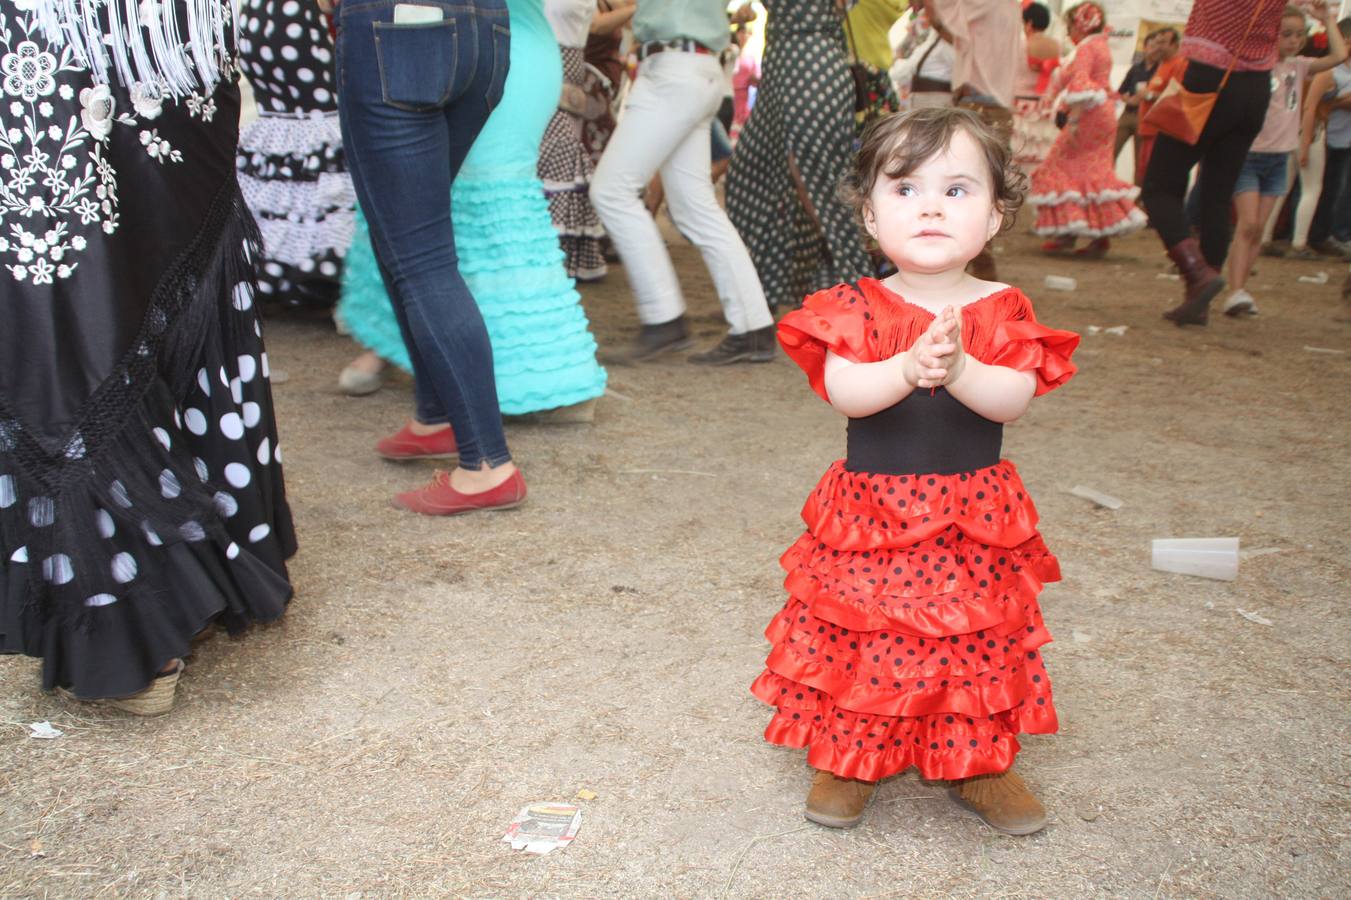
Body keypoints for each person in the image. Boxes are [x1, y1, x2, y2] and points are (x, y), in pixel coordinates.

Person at [751, 107, 1079, 834]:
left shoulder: (1001, 308)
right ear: (869, 215)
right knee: (869, 638)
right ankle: (850, 758)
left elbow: (1014, 398)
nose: (929, 204)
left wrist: (961, 368)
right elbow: (844, 393)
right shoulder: (852, 307)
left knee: (968, 641)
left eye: (957, 190)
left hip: (972, 515)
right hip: (872, 517)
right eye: (904, 189)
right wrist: (903, 366)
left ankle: (980, 764)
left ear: (995, 217)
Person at [1, 0, 296, 712]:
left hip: (62, 62)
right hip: (174, 58)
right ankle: (210, 559)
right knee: (155, 303)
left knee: (83, 325)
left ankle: (136, 622)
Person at [338, 0, 609, 424]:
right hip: (456, 38)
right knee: (417, 198)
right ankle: (394, 343)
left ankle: (548, 378)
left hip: (501, 42)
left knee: (484, 202)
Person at [334, 0, 528, 514]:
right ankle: (436, 414)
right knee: (399, 236)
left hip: (394, 31)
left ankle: (487, 466)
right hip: (486, 30)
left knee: (420, 256)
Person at [590, 0, 775, 364]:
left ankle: (664, 318)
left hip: (672, 70)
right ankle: (754, 327)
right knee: (696, 208)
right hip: (697, 67)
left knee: (611, 191)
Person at [1140, 0, 1286, 327]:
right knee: (1217, 196)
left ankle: (1197, 275)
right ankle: (1200, 301)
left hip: (1210, 78)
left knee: (1157, 188)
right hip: (1257, 88)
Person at [725, 0, 874, 316]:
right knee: (753, 173)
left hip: (810, 66)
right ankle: (769, 285)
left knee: (818, 183)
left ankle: (862, 289)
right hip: (784, 68)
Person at [1223, 5, 1347, 316]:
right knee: (1248, 225)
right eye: (1286, 34)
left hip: (1278, 158)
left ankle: (1240, 291)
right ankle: (1235, 289)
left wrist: (1328, 19)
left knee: (1259, 227)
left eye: (1299, 35)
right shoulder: (1253, 66)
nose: (1293, 41)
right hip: (1249, 156)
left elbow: (1338, 56)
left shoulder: (1300, 67)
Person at [236, 0, 356, 310]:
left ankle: (274, 267)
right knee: (320, 131)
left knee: (287, 125)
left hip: (255, 19)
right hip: (294, 21)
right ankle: (323, 275)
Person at [1029, 2, 1147, 257]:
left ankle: (1068, 233)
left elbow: (1081, 83)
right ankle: (1091, 236)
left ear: (1080, 24)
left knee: (1060, 167)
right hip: (1104, 115)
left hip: (1088, 115)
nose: (1070, 29)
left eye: (1071, 24)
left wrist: (1073, 121)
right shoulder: (1101, 45)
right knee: (1095, 173)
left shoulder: (1086, 48)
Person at [927, 0, 1022, 280]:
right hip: (996, 107)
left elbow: (940, 16)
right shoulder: (1008, 7)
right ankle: (979, 268)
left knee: (965, 190)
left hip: (979, 106)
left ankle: (979, 270)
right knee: (983, 189)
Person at [539, 0, 631, 282]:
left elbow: (616, 20)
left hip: (576, 73)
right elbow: (598, 25)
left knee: (567, 158)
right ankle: (550, 254)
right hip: (547, 63)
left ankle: (568, 258)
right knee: (559, 157)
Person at [1307, 18, 1351, 258]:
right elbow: (1316, 104)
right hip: (1325, 136)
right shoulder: (1331, 70)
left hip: (1344, 138)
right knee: (1321, 189)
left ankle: (1329, 234)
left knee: (1336, 189)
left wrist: (1336, 102)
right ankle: (1315, 236)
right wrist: (1338, 102)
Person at [1012, 2, 1061, 174]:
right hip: (1043, 108)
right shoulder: (1056, 46)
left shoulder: (1019, 45)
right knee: (1040, 155)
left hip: (1021, 106)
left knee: (1016, 155)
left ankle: (1018, 195)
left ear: (1029, 23)